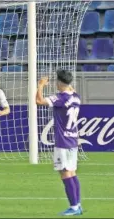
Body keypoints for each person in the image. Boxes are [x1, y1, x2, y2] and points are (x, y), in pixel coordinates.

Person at [36, 69, 82, 216]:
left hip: (63, 142)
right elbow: (71, 90)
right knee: (72, 173)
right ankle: (77, 205)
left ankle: (74, 207)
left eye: (57, 81)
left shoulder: (60, 98)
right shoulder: (76, 97)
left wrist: (41, 85)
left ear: (60, 83)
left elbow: (39, 101)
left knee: (65, 173)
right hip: (73, 139)